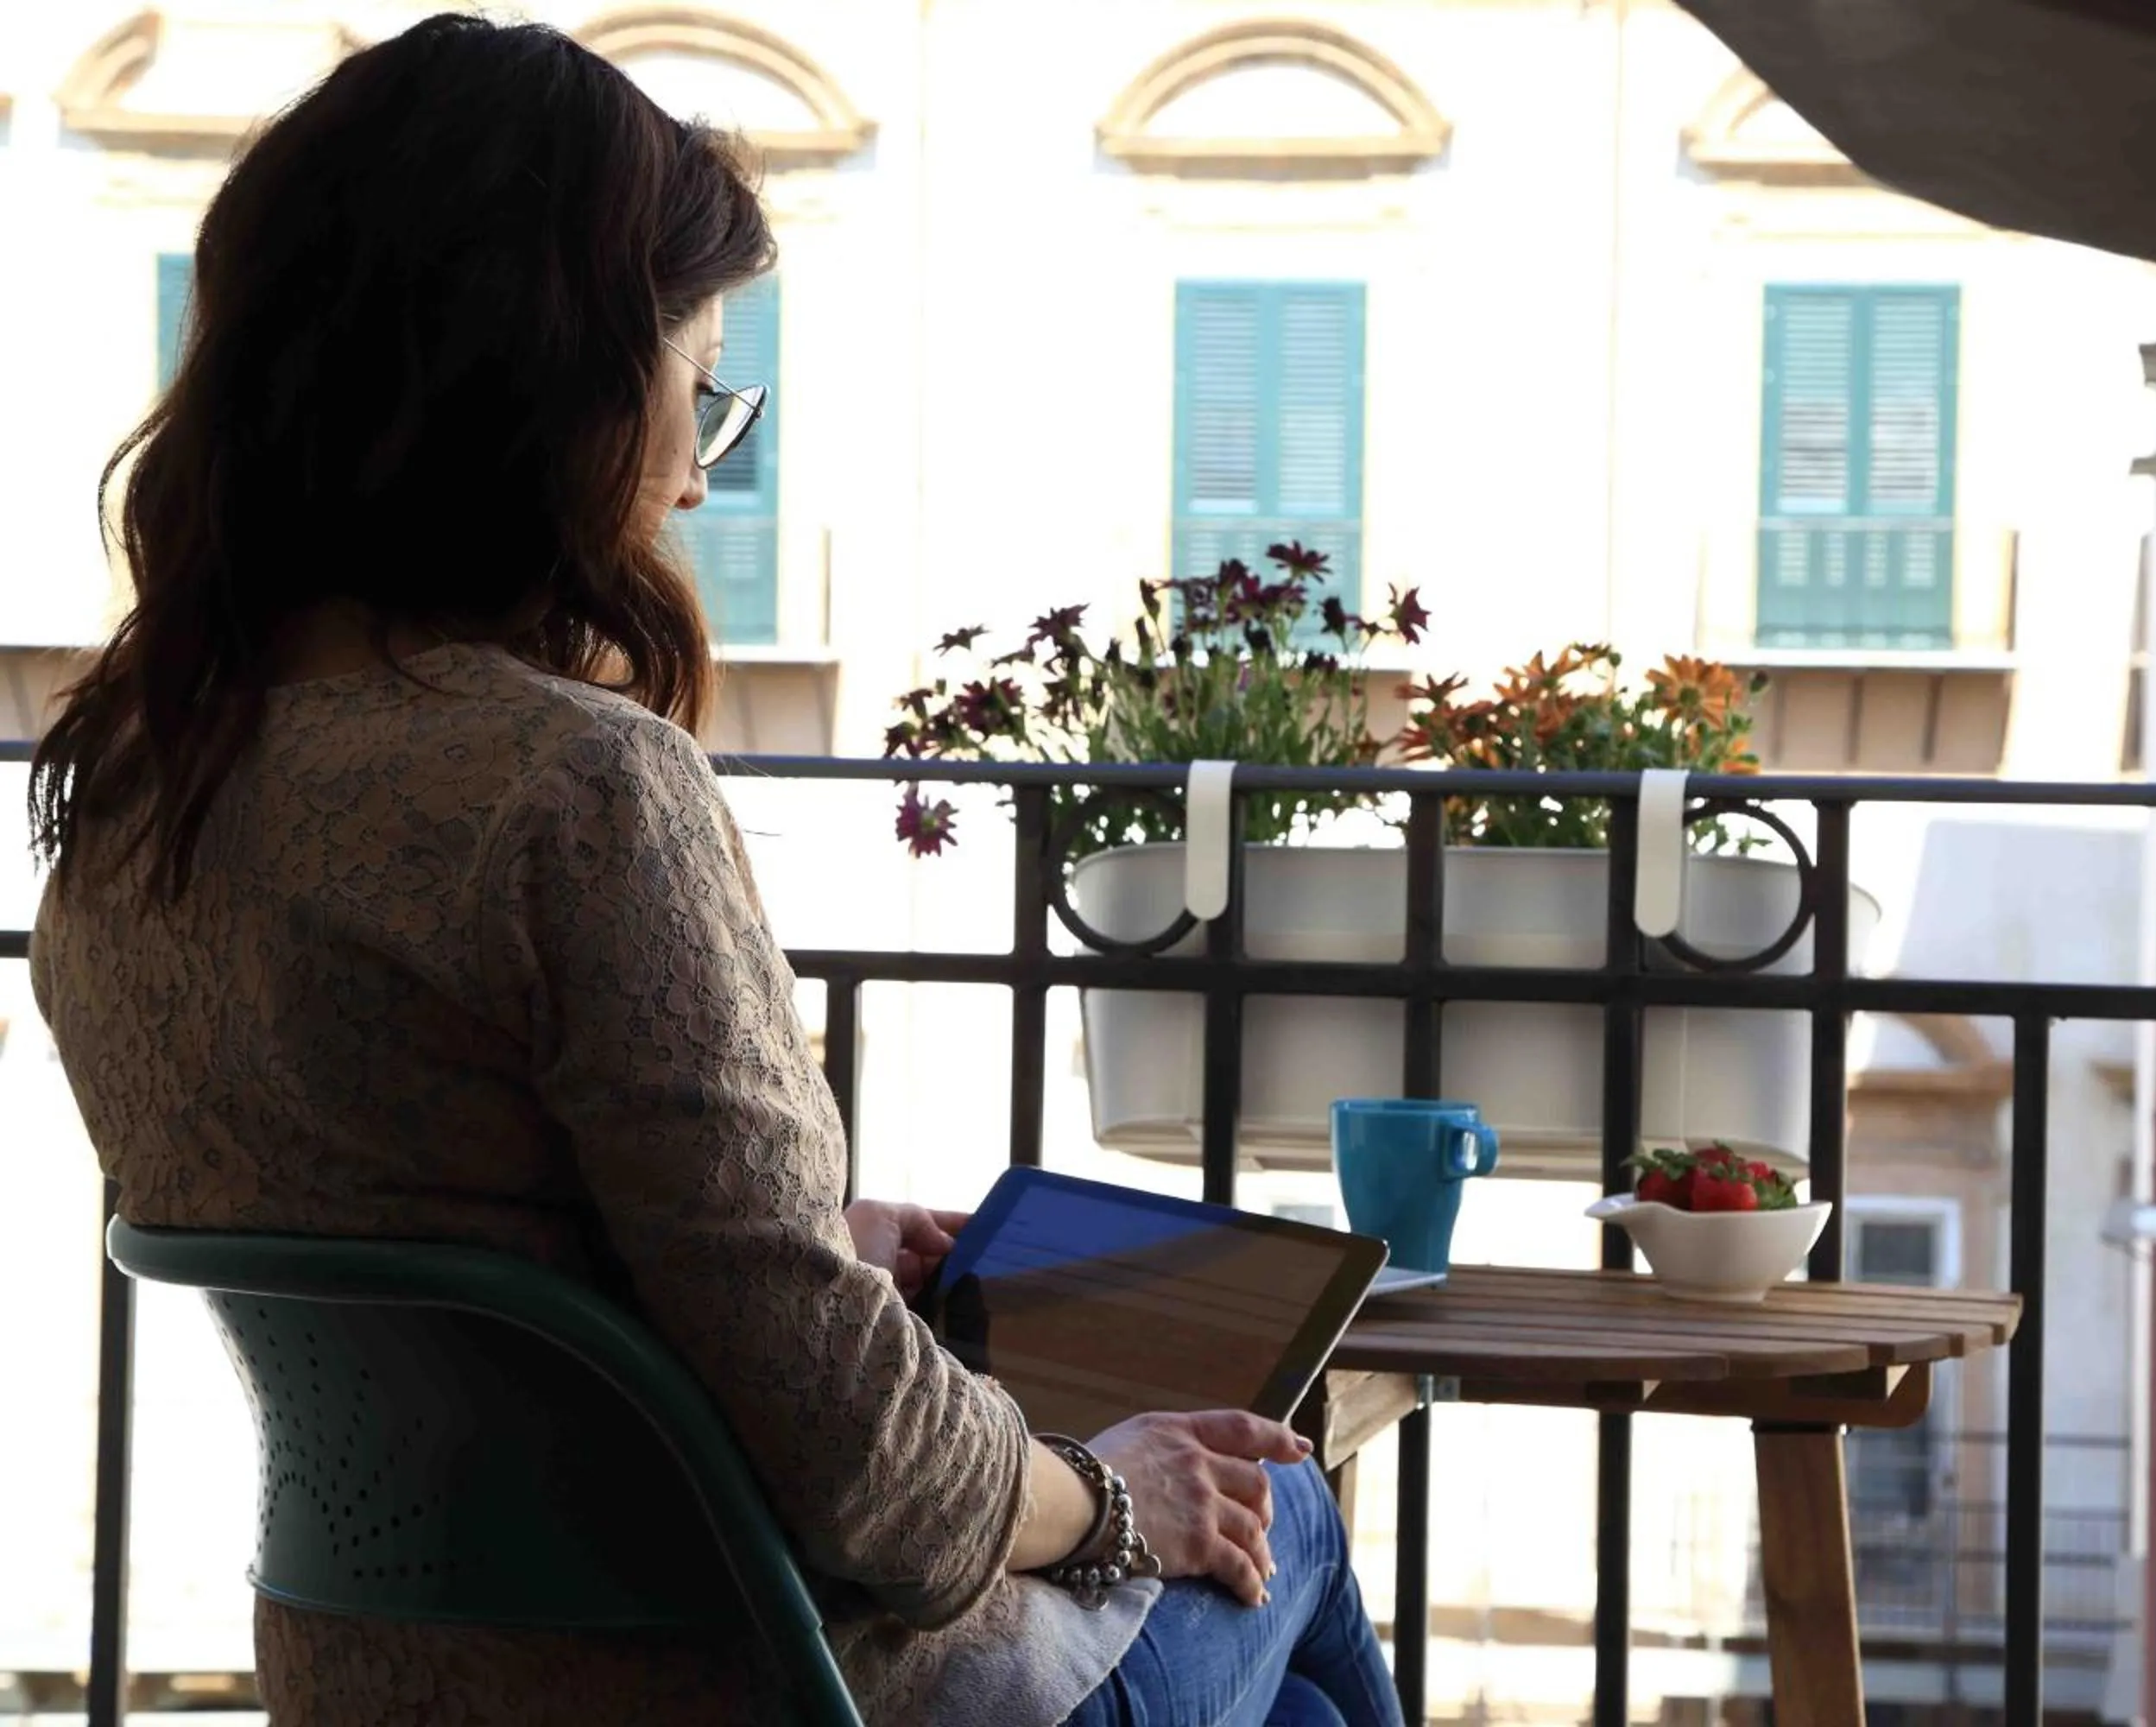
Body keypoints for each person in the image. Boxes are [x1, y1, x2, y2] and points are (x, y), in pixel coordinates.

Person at [25, 16, 1406, 1727]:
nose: (694, 470)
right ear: (554, 379)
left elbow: (438, 1220)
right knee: (1287, 1511)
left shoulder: (132, 794)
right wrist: (1113, 1483)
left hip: (380, 1681)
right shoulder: (575, 791)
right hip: (741, 1682)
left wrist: (801, 1241)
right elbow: (878, 1474)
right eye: (700, 386)